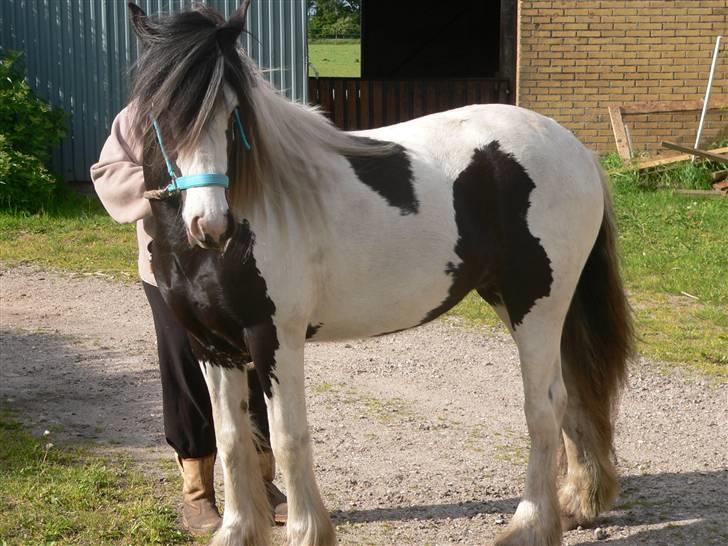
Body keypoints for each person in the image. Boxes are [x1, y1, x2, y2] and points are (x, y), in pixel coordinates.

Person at [90, 106, 287, 534]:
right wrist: (168, 181)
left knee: (252, 371)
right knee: (188, 375)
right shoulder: (141, 113)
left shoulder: (233, 104)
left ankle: (260, 483)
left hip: (241, 268)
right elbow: (108, 173)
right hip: (174, 272)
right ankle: (198, 494)